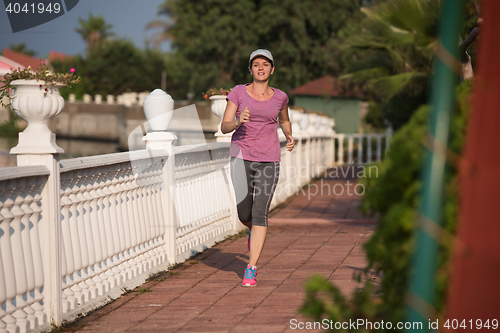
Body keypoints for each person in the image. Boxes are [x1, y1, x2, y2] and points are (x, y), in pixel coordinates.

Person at [221, 49, 294, 287]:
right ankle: (254, 231)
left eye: (265, 64)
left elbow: (283, 119)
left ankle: (251, 268)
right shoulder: (238, 92)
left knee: (260, 211)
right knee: (245, 214)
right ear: (250, 69)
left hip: (269, 159)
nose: (260, 68)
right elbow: (223, 126)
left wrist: (289, 135)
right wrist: (237, 122)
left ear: (272, 69)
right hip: (241, 157)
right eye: (256, 65)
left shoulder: (280, 97)